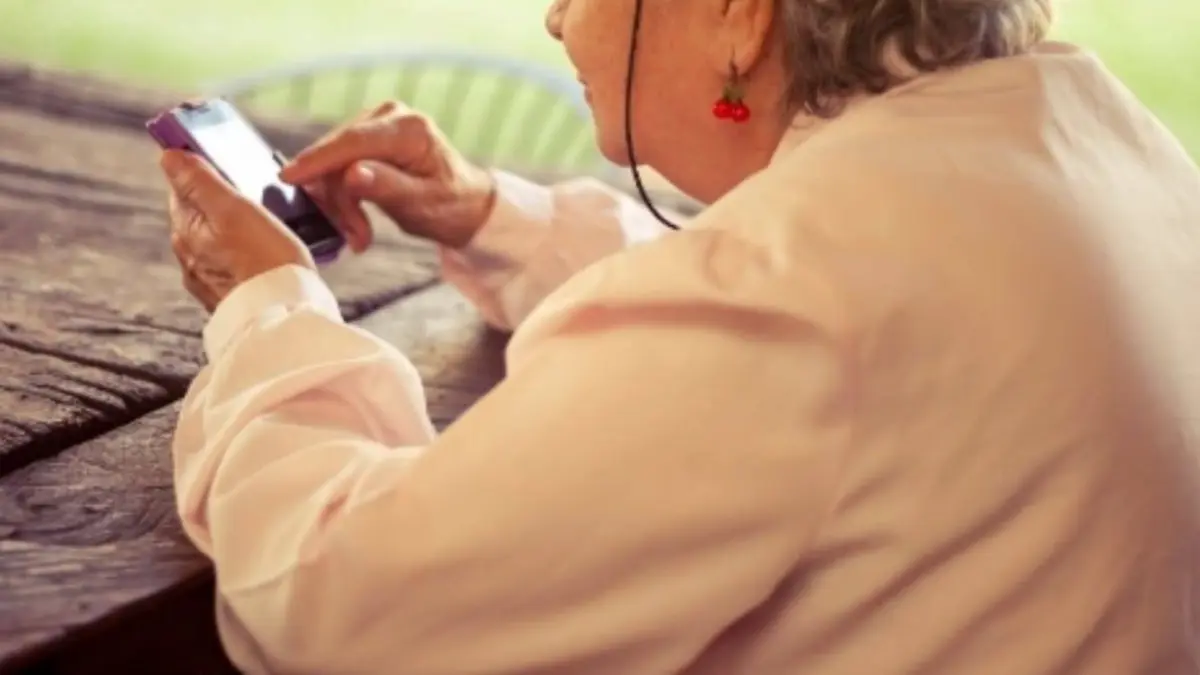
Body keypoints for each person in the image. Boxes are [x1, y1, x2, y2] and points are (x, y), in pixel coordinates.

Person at [158, 0, 1200, 672]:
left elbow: (351, 607)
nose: (555, 18)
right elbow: (791, 337)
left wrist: (268, 305)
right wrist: (493, 218)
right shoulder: (1089, 133)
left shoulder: (802, 290)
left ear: (738, 16)